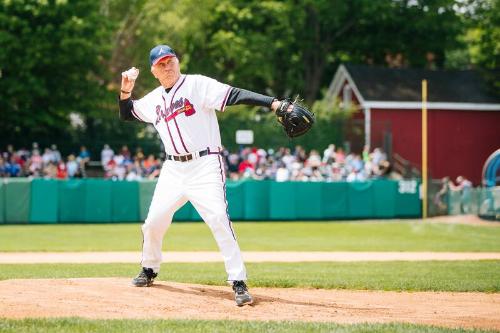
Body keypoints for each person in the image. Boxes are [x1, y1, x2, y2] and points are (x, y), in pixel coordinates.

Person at [118, 44, 292, 306]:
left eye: (171, 60)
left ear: (178, 61)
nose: (168, 66)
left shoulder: (197, 85)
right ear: (154, 71)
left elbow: (234, 95)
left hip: (205, 164)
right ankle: (149, 268)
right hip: (173, 169)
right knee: (153, 222)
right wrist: (126, 88)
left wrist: (272, 102)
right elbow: (127, 112)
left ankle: (238, 281)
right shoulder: (153, 99)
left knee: (219, 218)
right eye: (161, 64)